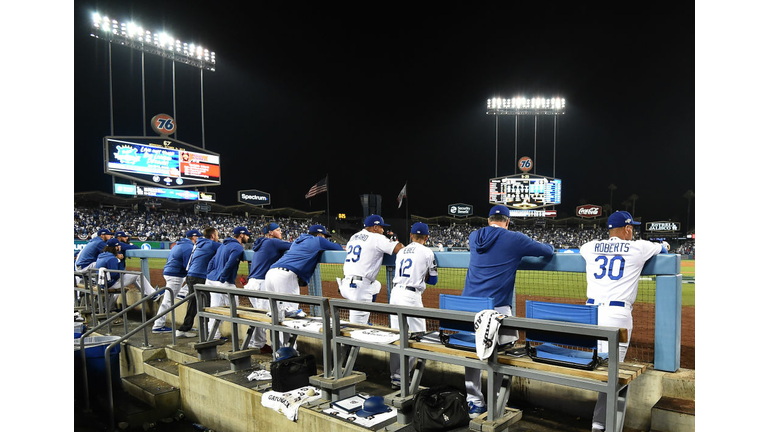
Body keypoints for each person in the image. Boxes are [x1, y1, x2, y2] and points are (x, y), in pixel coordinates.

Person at [461, 205, 555, 418]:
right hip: (497, 309)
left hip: (468, 308)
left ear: (488, 220)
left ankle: (474, 402)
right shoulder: (514, 238)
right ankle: (496, 404)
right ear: (507, 221)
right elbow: (546, 251)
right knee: (502, 355)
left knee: (472, 352)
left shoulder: (474, 236)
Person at [580, 211, 667, 432]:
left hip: (590, 315)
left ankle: (600, 423)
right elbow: (664, 248)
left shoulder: (590, 246)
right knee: (612, 375)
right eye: (632, 228)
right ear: (627, 229)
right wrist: (663, 243)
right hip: (616, 316)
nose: (634, 231)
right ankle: (601, 425)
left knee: (598, 366)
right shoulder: (639, 247)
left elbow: (582, 251)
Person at [264, 224, 343, 348]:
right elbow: (338, 248)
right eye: (324, 236)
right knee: (290, 317)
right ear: (319, 234)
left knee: (276, 316)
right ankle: (289, 353)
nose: (325, 238)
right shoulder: (318, 240)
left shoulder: (297, 241)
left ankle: (277, 351)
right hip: (285, 276)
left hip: (270, 273)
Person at [388, 222, 438, 389]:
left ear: (411, 236)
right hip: (410, 296)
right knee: (419, 336)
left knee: (397, 336)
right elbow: (433, 280)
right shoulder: (427, 252)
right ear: (427, 237)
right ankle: (403, 377)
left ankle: (395, 377)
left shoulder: (401, 251)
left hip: (395, 294)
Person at [338, 215, 404, 325]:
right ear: (375, 227)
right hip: (359, 290)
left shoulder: (354, 236)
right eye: (382, 227)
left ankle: (365, 317)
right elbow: (399, 248)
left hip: (345, 285)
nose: (383, 231)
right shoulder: (376, 238)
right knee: (357, 330)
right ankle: (359, 326)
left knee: (376, 285)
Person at [243, 222, 291, 353]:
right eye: (278, 229)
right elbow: (294, 246)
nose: (281, 232)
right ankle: (279, 349)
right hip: (261, 283)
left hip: (252, 283)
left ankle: (258, 344)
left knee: (260, 316)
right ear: (270, 233)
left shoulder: (261, 243)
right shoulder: (272, 242)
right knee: (272, 316)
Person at [205, 226, 252, 340]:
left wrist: (210, 273)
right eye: (246, 235)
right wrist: (223, 277)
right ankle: (236, 337)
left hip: (211, 280)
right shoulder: (237, 247)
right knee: (234, 309)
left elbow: (212, 261)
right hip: (223, 281)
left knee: (215, 307)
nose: (248, 237)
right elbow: (230, 264)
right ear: (241, 235)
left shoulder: (223, 245)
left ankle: (212, 334)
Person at [151, 229, 200, 334]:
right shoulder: (189, 247)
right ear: (193, 237)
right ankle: (158, 325)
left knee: (189, 282)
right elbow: (188, 267)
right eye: (198, 237)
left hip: (171, 273)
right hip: (175, 275)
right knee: (168, 301)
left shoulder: (179, 244)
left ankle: (181, 293)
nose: (199, 239)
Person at [176, 227, 221, 338]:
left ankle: (185, 328)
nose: (218, 237)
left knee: (194, 303)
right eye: (217, 235)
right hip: (200, 277)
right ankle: (207, 331)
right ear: (212, 236)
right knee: (207, 303)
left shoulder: (199, 243)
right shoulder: (212, 244)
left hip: (191, 275)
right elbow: (226, 248)